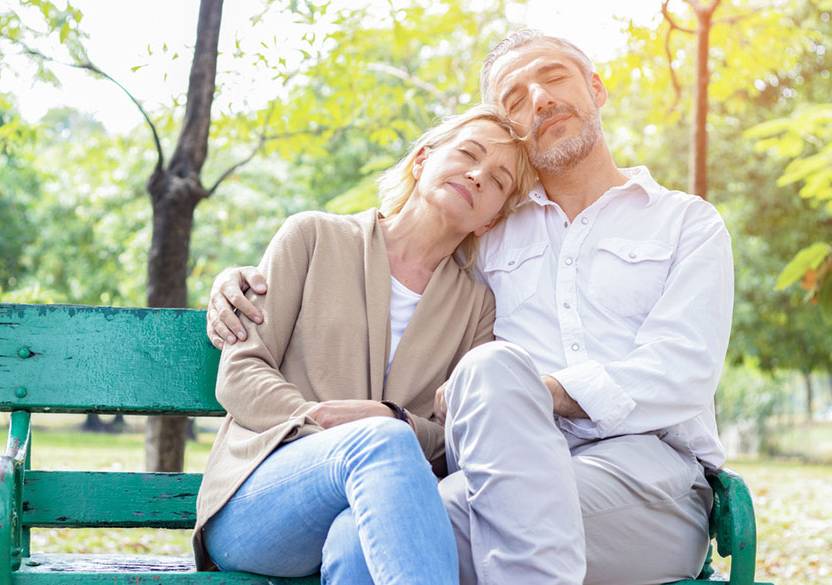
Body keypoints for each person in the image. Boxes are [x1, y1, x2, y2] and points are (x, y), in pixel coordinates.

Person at [205, 30, 735, 585]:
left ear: (596, 88)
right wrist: (233, 280)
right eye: (514, 99)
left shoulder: (687, 224)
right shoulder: (492, 239)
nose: (539, 99)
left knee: (487, 385)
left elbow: (684, 368)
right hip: (497, 460)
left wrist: (542, 391)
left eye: (554, 77)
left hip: (645, 475)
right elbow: (396, 247)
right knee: (358, 533)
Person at [192, 105, 536, 584]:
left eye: (498, 181)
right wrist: (330, 427)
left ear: (489, 221)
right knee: (381, 442)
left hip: (377, 512)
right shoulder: (312, 237)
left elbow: (455, 439)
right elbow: (241, 371)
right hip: (261, 501)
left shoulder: (477, 306)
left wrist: (395, 420)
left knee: (358, 544)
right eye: (468, 154)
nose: (478, 176)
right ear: (422, 160)